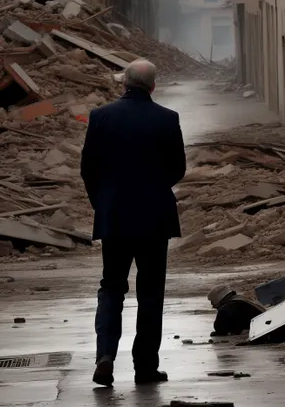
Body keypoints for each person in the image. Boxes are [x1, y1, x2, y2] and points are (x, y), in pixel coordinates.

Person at [80, 58, 186, 388]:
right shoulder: (167, 119)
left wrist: (105, 203)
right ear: (153, 86)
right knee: (151, 293)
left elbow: (88, 169)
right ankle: (145, 367)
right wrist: (154, 189)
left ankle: (105, 356)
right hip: (155, 219)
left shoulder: (101, 117)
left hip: (115, 219)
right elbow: (178, 169)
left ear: (124, 83)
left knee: (112, 286)